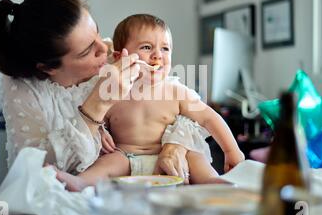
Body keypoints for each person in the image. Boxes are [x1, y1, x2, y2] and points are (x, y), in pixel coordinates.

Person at [0, 0, 205, 183]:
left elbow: (181, 103)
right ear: (47, 68)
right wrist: (96, 107)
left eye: (97, 32)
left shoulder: (114, 57)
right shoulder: (22, 87)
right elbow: (32, 171)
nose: (105, 48)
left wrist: (175, 144)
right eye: (88, 50)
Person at [56, 14, 245, 191]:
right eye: (146, 47)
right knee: (106, 163)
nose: (157, 55)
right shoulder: (113, 91)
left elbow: (209, 118)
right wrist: (100, 131)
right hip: (126, 157)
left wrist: (231, 151)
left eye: (165, 48)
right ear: (120, 57)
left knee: (195, 156)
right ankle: (80, 182)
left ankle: (211, 181)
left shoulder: (176, 91)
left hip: (168, 159)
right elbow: (96, 119)